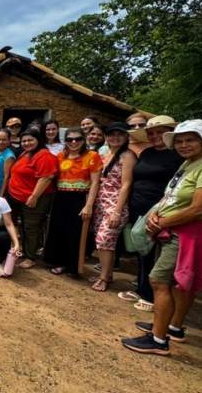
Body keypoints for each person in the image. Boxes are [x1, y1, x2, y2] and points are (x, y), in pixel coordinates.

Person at [121, 119, 202, 356]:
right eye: (180, 141)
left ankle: (158, 340)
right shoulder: (190, 163)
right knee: (180, 283)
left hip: (191, 233)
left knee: (159, 280)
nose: (183, 145)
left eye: (190, 140)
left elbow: (198, 209)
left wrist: (161, 222)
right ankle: (171, 326)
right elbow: (172, 195)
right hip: (176, 229)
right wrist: (156, 213)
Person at [119, 115, 179, 311]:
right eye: (151, 133)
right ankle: (141, 287)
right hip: (138, 206)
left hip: (159, 210)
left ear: (170, 134)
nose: (155, 136)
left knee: (156, 253)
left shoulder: (178, 156)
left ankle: (153, 295)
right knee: (141, 249)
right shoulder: (147, 153)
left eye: (160, 132)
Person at [43, 127, 102, 276]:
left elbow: (95, 182)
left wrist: (88, 205)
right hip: (61, 197)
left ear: (84, 140)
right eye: (70, 139)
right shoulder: (60, 156)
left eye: (78, 139)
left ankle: (73, 266)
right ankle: (59, 262)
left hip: (80, 198)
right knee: (59, 230)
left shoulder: (92, 156)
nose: (74, 142)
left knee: (75, 233)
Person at [91, 123, 136, 291]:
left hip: (116, 205)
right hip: (100, 203)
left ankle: (103, 278)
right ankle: (107, 274)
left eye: (119, 134)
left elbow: (126, 184)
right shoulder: (106, 154)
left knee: (104, 240)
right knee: (105, 242)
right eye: (111, 134)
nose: (115, 138)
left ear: (126, 136)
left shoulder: (127, 156)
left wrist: (117, 211)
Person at [4, 125, 57, 268]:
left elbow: (46, 177)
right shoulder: (26, 153)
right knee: (18, 225)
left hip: (33, 198)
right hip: (16, 196)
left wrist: (34, 196)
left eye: (30, 140)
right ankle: (19, 250)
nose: (27, 143)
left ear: (38, 140)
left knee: (31, 228)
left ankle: (30, 257)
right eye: (24, 141)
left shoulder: (44, 155)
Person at [0, 128, 16, 196]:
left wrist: (1, 193)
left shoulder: (9, 156)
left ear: (9, 141)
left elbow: (7, 177)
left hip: (2, 189)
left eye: (4, 140)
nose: (0, 142)